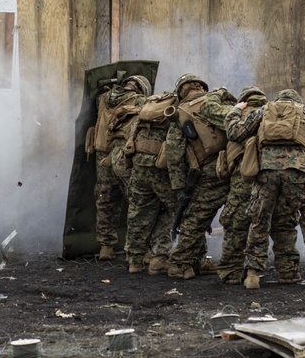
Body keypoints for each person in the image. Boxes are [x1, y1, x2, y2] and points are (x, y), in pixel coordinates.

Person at [226, 88, 305, 289]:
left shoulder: (264, 111)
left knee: (259, 221)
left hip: (265, 171)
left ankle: (252, 276)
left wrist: (235, 111)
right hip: (298, 170)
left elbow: (234, 133)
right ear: (297, 101)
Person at [163, 74, 235, 279]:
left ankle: (178, 263)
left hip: (209, 170)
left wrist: (179, 188)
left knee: (195, 217)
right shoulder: (219, 101)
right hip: (233, 166)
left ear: (181, 92)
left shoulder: (180, 113)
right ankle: (200, 261)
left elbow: (174, 154)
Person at [90, 75, 151, 261]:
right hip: (123, 155)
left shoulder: (102, 98)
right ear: (141, 89)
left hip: (102, 155)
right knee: (137, 201)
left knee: (106, 200)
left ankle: (106, 247)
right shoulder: (141, 101)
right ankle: (142, 249)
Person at [216, 86, 267, 285]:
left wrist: (235, 110)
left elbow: (232, 133)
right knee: (273, 223)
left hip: (242, 178)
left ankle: (231, 272)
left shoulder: (240, 115)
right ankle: (287, 270)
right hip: (267, 177)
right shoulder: (272, 114)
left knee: (236, 223)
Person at [123, 88, 178, 274]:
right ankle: (159, 259)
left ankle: (135, 261)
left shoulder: (146, 109)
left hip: (139, 165)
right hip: (161, 169)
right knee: (176, 211)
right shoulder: (178, 109)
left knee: (138, 213)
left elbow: (129, 134)